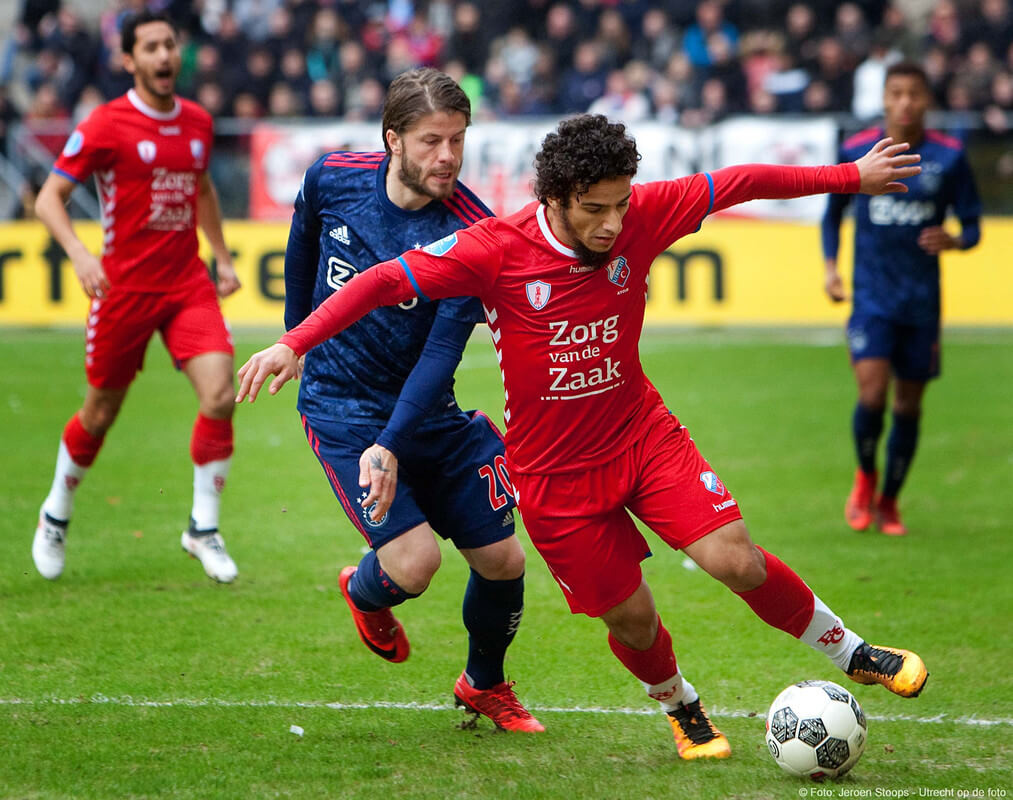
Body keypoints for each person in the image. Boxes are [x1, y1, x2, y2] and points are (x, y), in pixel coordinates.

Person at [237, 114, 929, 760]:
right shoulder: (495, 250)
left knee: (734, 559)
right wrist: (293, 343)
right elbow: (383, 281)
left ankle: (852, 653)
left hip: (639, 435)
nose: (611, 222)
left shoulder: (642, 216)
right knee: (630, 619)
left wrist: (849, 176)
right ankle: (679, 703)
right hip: (553, 480)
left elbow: (741, 182)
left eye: (619, 205)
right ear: (557, 198)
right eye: (594, 208)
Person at [282, 68, 541, 732]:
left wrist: (393, 443)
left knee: (503, 559)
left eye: (457, 141)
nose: (447, 157)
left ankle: (484, 682)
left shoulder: (472, 232)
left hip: (426, 410)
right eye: (431, 141)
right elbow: (303, 243)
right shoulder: (331, 178)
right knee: (415, 564)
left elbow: (440, 354)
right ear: (392, 138)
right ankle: (363, 593)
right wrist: (295, 338)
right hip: (340, 406)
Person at [31, 11, 241, 583]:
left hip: (185, 284)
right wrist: (80, 253)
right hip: (122, 289)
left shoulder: (197, 121)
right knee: (100, 412)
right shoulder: (105, 123)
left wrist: (221, 258)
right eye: (150, 47)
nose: (163, 55)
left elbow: (201, 189)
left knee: (221, 393)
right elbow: (49, 199)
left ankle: (203, 528)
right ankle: (57, 511)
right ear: (129, 60)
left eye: (169, 45)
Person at [822, 61, 982, 536]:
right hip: (872, 297)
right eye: (896, 93)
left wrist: (955, 239)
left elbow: (972, 226)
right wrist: (831, 269)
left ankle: (890, 501)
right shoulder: (857, 151)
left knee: (908, 407)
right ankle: (864, 478)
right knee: (872, 393)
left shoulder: (950, 156)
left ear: (927, 99)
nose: (905, 102)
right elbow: (832, 213)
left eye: (914, 93)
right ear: (885, 99)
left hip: (921, 302)